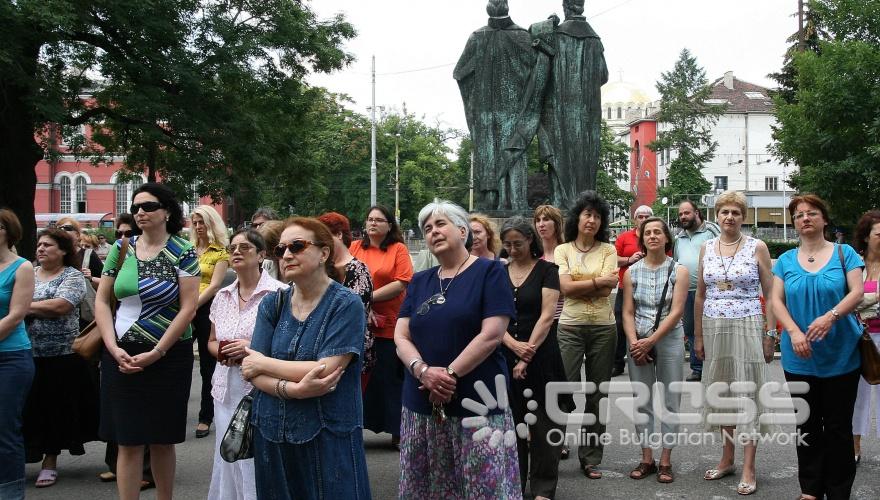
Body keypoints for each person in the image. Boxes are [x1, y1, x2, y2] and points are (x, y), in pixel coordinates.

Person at [395, 200, 519, 497]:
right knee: (426, 487)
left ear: (463, 230)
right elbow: (401, 336)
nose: (433, 232)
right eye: (427, 228)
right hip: (422, 404)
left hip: (477, 401)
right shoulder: (421, 280)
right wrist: (423, 371)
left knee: (482, 487)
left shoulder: (490, 272)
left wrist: (447, 375)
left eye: (440, 224)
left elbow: (492, 335)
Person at [241, 217, 370, 499]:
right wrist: (295, 389)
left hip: (327, 435)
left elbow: (326, 370)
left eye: (297, 246)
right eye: (281, 249)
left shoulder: (346, 304)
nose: (286, 255)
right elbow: (251, 372)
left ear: (324, 253)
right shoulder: (272, 303)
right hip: (272, 432)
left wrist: (264, 364)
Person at [95, 182, 200, 500]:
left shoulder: (183, 250)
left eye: (149, 206)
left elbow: (188, 307)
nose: (140, 212)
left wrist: (157, 352)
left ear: (167, 211)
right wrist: (113, 349)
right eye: (136, 207)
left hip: (169, 354)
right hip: (122, 352)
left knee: (161, 439)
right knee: (127, 440)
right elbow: (102, 301)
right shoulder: (121, 247)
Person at [770, 194, 864, 500]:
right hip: (798, 357)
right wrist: (794, 332)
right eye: (798, 215)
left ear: (824, 219)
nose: (805, 219)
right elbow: (776, 301)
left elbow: (858, 292)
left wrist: (831, 315)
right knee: (806, 426)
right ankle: (810, 488)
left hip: (841, 354)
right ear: (794, 223)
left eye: (811, 213)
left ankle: (838, 491)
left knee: (838, 427)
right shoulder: (784, 260)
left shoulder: (844, 253)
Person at [694, 191, 777, 496]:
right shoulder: (706, 248)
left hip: (748, 323)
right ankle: (727, 458)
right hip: (714, 326)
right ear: (717, 215)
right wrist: (698, 336)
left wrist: (771, 334)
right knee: (722, 391)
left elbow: (770, 293)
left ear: (744, 217)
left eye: (736, 213)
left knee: (748, 392)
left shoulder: (758, 247)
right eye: (724, 212)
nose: (729, 217)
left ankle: (748, 466)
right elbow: (700, 295)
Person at [206, 229, 286, 500]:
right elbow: (211, 340)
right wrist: (221, 351)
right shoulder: (222, 296)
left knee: (254, 458)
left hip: (260, 388)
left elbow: (287, 346)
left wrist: (248, 350)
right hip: (225, 388)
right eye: (233, 248)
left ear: (261, 255)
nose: (237, 252)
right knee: (229, 454)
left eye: (245, 247)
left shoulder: (280, 294)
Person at [23, 228, 95, 488]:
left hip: (63, 355)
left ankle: (49, 462)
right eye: (39, 244)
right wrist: (32, 306)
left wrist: (23, 307)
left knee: (54, 409)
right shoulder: (28, 273)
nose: (41, 249)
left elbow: (62, 305)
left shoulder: (72, 276)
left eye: (48, 245)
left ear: (63, 250)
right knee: (29, 408)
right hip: (26, 352)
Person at [554, 190, 619, 479]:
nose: (591, 220)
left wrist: (582, 282)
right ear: (577, 218)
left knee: (597, 394)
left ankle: (590, 457)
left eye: (597, 215)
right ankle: (552, 451)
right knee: (562, 389)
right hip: (569, 327)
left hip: (604, 329)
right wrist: (596, 281)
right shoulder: (562, 250)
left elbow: (608, 289)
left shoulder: (608, 250)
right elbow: (565, 289)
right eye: (587, 214)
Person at [500, 217, 565, 499]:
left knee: (543, 425)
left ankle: (543, 488)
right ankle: (514, 484)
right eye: (507, 245)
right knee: (511, 425)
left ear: (530, 240)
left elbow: (547, 315)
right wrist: (513, 346)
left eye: (518, 243)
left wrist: (526, 354)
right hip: (505, 354)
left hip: (541, 355)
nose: (512, 249)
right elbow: (491, 317)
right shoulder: (497, 272)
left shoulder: (548, 270)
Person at [621, 217, 688, 484]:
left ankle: (666, 460)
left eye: (658, 232)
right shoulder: (631, 272)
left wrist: (651, 340)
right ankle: (647, 457)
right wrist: (635, 342)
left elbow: (677, 310)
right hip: (637, 340)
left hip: (669, 338)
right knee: (642, 400)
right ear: (642, 239)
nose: (652, 236)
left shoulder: (678, 270)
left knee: (671, 400)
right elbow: (627, 311)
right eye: (648, 233)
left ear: (667, 238)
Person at [454, 0, 533, 211]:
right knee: (513, 152)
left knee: (498, 154)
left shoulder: (478, 36)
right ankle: (514, 202)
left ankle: (500, 200)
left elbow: (460, 72)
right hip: (511, 109)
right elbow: (536, 71)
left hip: (488, 111)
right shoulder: (523, 36)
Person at [350, 205, 413, 448]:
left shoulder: (398, 249)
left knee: (391, 378)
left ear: (389, 225)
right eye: (369, 219)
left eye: (379, 220)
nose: (373, 223)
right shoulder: (355, 248)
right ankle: (357, 428)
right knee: (363, 379)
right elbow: (345, 279)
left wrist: (367, 298)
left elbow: (401, 283)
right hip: (360, 323)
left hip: (390, 324)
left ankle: (398, 430)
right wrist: (363, 307)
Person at [99, 214, 152, 488]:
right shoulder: (119, 252)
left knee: (144, 412)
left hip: (150, 338)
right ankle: (115, 463)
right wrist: (111, 343)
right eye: (119, 232)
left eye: (128, 231)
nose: (123, 236)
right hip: (117, 334)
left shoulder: (160, 253)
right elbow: (105, 296)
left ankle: (144, 470)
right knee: (116, 410)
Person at [0, 209, 35, 500]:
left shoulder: (21, 267)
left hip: (10, 357)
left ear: (8, 232)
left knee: (5, 428)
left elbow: (16, 316)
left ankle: (11, 493)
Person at [318, 212, 375, 385]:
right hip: (321, 352)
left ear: (338, 234)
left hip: (350, 355)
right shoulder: (320, 267)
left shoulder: (358, 270)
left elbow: (352, 317)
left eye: (325, 236)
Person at [533, 203, 570, 459]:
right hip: (535, 325)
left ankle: (560, 437)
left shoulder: (565, 253)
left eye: (547, 219)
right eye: (538, 220)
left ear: (557, 224)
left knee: (559, 384)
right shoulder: (532, 255)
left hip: (562, 322)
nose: (542, 224)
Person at [190, 205, 230, 439]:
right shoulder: (188, 249)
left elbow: (215, 285)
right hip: (183, 308)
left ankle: (206, 416)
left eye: (202, 222)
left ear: (211, 223)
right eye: (195, 222)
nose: (197, 227)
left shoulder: (220, 253)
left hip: (205, 308)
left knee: (207, 365)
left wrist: (192, 305)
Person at [673, 199, 720, 382]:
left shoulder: (711, 231)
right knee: (692, 329)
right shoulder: (679, 237)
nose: (683, 217)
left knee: (712, 327)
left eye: (687, 213)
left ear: (697, 213)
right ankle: (697, 368)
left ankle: (714, 366)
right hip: (687, 291)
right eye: (681, 214)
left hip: (710, 290)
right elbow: (677, 262)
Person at [612, 205, 654, 377]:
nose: (643, 220)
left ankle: (647, 355)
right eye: (640, 217)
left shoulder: (655, 235)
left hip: (649, 287)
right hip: (625, 287)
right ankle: (617, 363)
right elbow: (612, 259)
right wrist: (629, 259)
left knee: (647, 322)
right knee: (620, 324)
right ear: (634, 219)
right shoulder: (624, 237)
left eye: (646, 217)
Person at [853, 210, 880, 465]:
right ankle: (855, 446)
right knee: (857, 394)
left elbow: (856, 300)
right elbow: (848, 300)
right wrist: (871, 300)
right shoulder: (854, 263)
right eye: (879, 233)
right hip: (859, 337)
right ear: (866, 237)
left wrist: (861, 301)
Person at [55, 216, 103, 290]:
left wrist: (91, 278)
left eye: (67, 228)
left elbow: (106, 284)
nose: (62, 231)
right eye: (58, 229)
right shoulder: (52, 255)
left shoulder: (89, 255)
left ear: (77, 235)